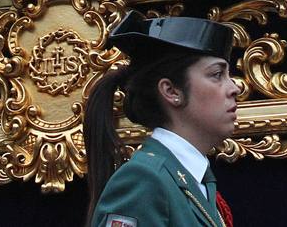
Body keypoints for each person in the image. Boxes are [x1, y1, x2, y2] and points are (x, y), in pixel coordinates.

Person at [85, 12, 239, 227]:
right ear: (171, 91)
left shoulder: (195, 179)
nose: (234, 88)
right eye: (216, 75)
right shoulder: (144, 180)